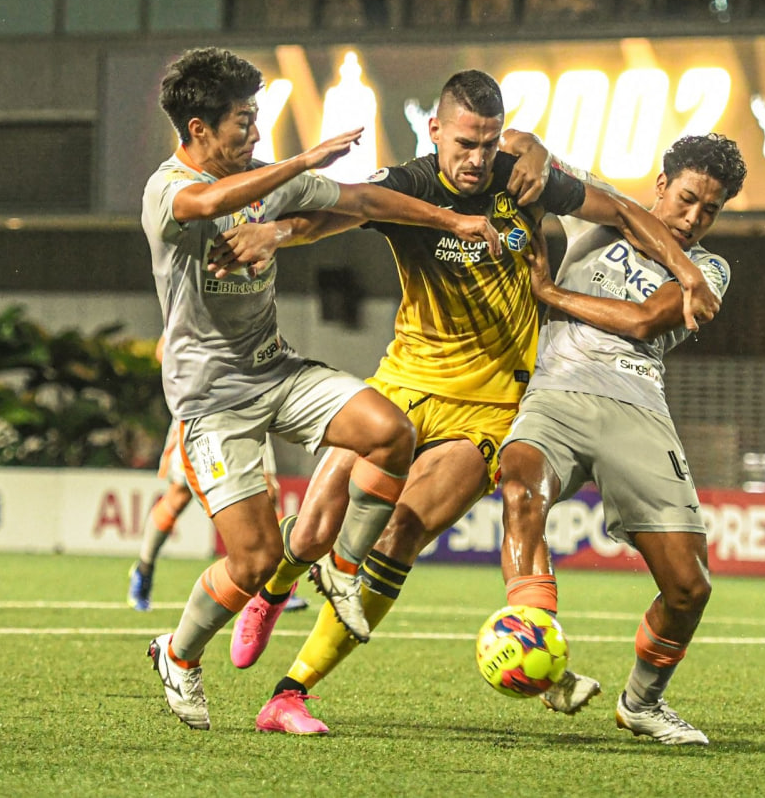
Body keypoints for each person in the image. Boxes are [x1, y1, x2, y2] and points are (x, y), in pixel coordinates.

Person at [212, 69, 719, 734]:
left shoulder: (522, 179)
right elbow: (346, 209)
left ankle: (291, 692)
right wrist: (273, 235)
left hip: (490, 405)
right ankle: (275, 590)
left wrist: (683, 268)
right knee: (309, 532)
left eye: (488, 144)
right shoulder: (415, 183)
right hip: (403, 384)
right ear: (436, 130)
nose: (477, 159)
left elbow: (619, 208)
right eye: (465, 144)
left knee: (401, 534)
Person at [141, 47, 499, 731]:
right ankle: (179, 654)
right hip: (211, 400)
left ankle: (340, 566)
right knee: (254, 559)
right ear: (198, 129)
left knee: (390, 432)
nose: (253, 132)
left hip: (274, 369)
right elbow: (210, 202)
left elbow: (366, 200)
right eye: (242, 121)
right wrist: (302, 163)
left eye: (257, 118)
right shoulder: (167, 189)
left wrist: (451, 220)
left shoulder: (263, 179)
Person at [498, 133, 746, 745]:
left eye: (710, 210)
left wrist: (549, 294)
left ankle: (642, 703)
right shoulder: (598, 212)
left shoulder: (709, 271)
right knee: (520, 483)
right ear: (661, 185)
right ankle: (543, 655)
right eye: (687, 199)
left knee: (689, 588)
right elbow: (517, 143)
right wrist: (530, 155)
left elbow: (640, 323)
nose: (694, 218)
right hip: (556, 393)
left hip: (636, 404)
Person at [126, 333, 307, 614]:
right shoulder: (200, 304)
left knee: (269, 494)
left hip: (251, 411)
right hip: (204, 414)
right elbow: (164, 351)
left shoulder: (256, 296)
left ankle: (275, 587)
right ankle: (144, 568)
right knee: (179, 496)